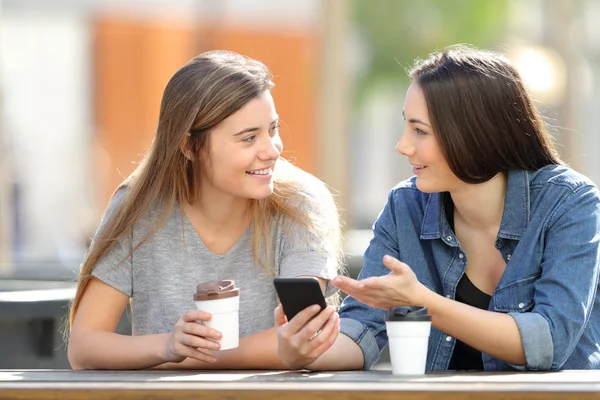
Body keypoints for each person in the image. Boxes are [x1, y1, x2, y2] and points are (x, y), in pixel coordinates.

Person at [275, 45, 600, 371]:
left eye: (420, 131)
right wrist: (309, 351)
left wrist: (422, 301)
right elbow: (363, 329)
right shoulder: (405, 207)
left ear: (476, 134)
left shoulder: (570, 203)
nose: (403, 146)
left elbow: (550, 341)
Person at [67, 50, 343, 370]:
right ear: (189, 146)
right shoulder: (138, 207)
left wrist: (184, 360)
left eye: (273, 129)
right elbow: (84, 345)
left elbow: (300, 335)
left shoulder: (301, 203)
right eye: (249, 138)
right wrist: (167, 345)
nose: (271, 150)